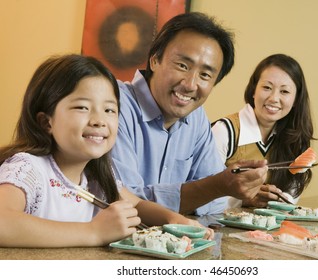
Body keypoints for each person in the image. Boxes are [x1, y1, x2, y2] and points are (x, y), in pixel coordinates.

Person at [0, 54, 212, 248]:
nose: (99, 120)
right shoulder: (28, 168)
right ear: (46, 122)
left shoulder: (97, 176)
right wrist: (93, 232)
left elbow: (136, 204)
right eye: (82, 107)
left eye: (109, 110)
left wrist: (175, 220)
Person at [111, 12, 268, 216]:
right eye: (183, 66)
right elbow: (121, 200)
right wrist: (214, 187)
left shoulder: (196, 118)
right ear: (155, 60)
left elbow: (217, 203)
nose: (190, 84)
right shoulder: (113, 105)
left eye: (205, 75)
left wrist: (224, 188)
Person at [212, 54, 316, 208]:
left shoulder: (293, 137)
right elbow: (202, 196)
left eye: (284, 92)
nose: (274, 98)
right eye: (267, 87)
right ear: (253, 90)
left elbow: (290, 197)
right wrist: (244, 200)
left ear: (296, 100)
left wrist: (277, 200)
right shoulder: (224, 131)